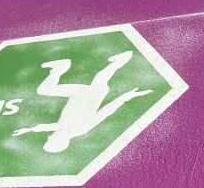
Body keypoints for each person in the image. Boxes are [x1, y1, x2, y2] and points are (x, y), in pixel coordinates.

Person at [12, 52, 152, 153]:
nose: (49, 137)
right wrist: (125, 97)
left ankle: (122, 58)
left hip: (88, 94)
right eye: (50, 140)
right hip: (87, 94)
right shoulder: (79, 129)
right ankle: (61, 67)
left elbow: (51, 127)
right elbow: (105, 112)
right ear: (59, 141)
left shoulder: (65, 129)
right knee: (44, 90)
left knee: (102, 76)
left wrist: (28, 130)